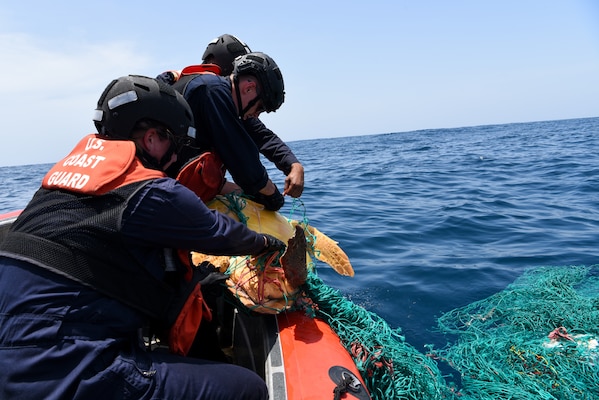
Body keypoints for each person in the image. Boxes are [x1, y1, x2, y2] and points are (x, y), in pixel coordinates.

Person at [0, 75, 284, 400]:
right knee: (248, 388)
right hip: (67, 370)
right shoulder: (151, 190)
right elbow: (221, 233)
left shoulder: (54, 187)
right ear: (151, 139)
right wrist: (267, 242)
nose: (176, 158)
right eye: (173, 144)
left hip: (12, 365)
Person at [157, 36, 304, 209]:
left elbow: (261, 135)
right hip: (164, 193)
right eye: (260, 108)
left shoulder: (224, 97)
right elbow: (242, 161)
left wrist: (293, 165)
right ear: (248, 88)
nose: (257, 115)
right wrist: (272, 195)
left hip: (179, 186)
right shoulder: (212, 91)